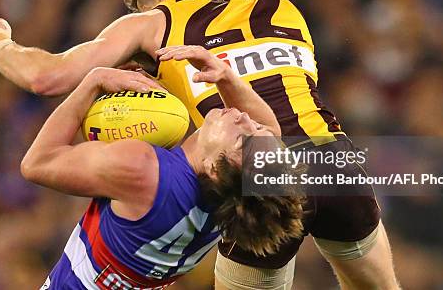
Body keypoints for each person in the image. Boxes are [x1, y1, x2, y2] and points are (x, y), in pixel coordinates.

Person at [0, 0, 399, 289]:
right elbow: (271, 101)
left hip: (249, 181)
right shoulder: (280, 5)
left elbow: (46, 79)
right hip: (332, 164)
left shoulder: (155, 22)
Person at [23, 45, 304, 289]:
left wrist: (93, 81)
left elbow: (37, 162)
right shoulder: (232, 203)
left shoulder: (142, 169)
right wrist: (226, 76)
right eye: (255, 127)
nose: (244, 117)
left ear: (214, 168)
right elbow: (271, 131)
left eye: (244, 137)